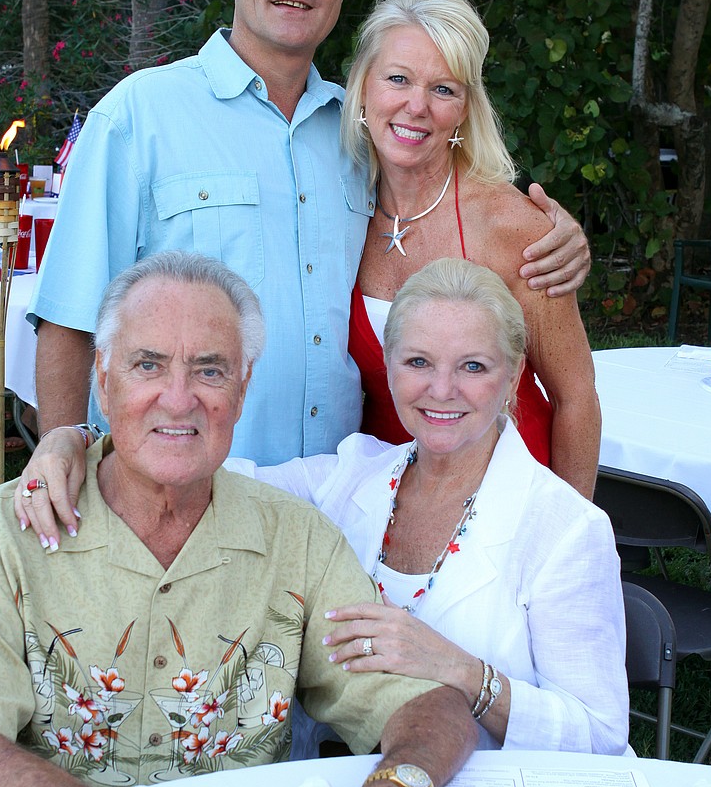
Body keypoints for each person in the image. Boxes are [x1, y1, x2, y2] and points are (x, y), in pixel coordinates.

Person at [0, 252, 477, 787]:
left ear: (241, 387)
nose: (178, 399)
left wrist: (398, 785)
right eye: (147, 364)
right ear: (103, 380)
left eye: (209, 370)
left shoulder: (294, 540)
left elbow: (427, 704)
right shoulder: (1, 534)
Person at [23, 0, 589, 486]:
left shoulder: (358, 134)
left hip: (340, 497)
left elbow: (447, 193)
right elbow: (69, 314)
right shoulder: (140, 115)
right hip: (182, 485)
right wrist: (59, 446)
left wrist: (561, 236)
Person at [231, 259, 628, 756]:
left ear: (513, 377)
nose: (442, 389)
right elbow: (226, 481)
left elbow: (600, 736)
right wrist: (110, 450)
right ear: (389, 367)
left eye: (473, 366)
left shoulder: (566, 530)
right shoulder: (353, 475)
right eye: (418, 362)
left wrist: (457, 669)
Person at [343, 0, 600, 497]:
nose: (416, 106)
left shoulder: (513, 228)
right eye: (398, 79)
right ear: (363, 88)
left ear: (464, 107)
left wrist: (570, 535)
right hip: (382, 504)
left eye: (443, 89)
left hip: (505, 500)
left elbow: (576, 397)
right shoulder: (334, 205)